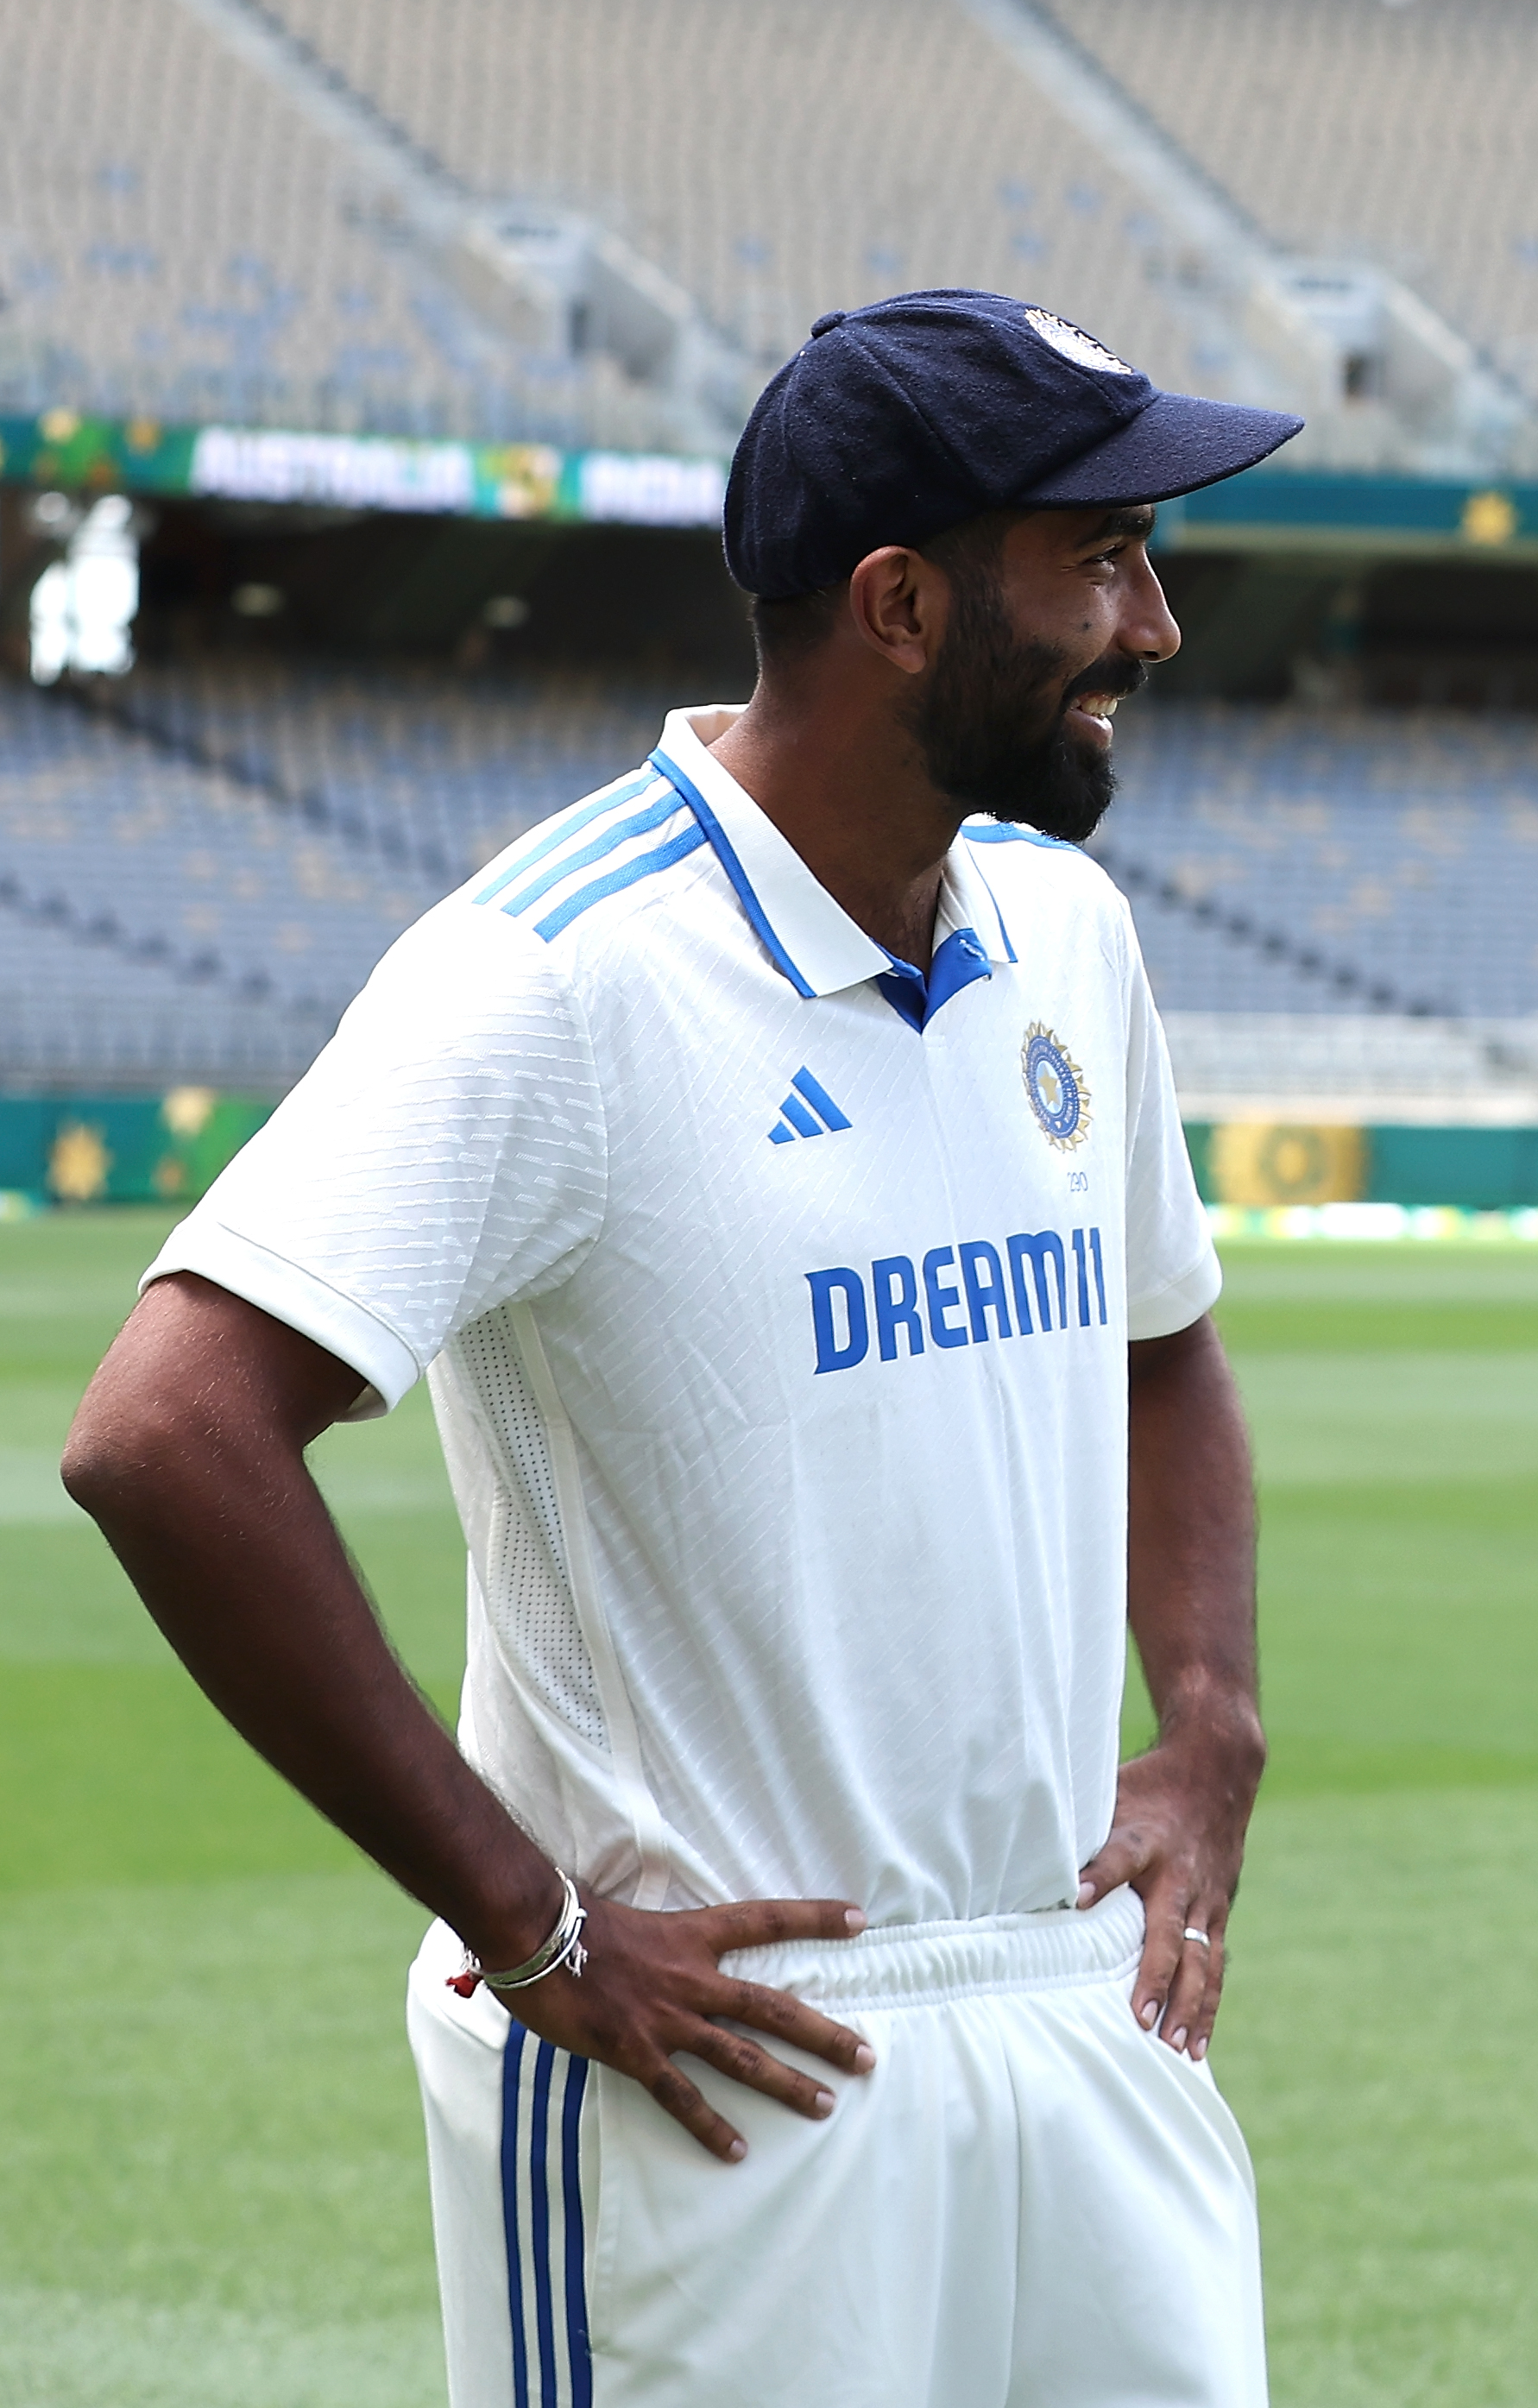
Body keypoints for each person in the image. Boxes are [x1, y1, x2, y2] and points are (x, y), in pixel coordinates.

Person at [63, 290, 1302, 2407]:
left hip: (1073, 2004)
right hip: (729, 2071)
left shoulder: (1066, 942)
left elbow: (1161, 1342)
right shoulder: (558, 972)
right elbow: (165, 1432)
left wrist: (1206, 1719)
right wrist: (528, 1915)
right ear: (901, 604)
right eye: (1099, 558)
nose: (1155, 625)